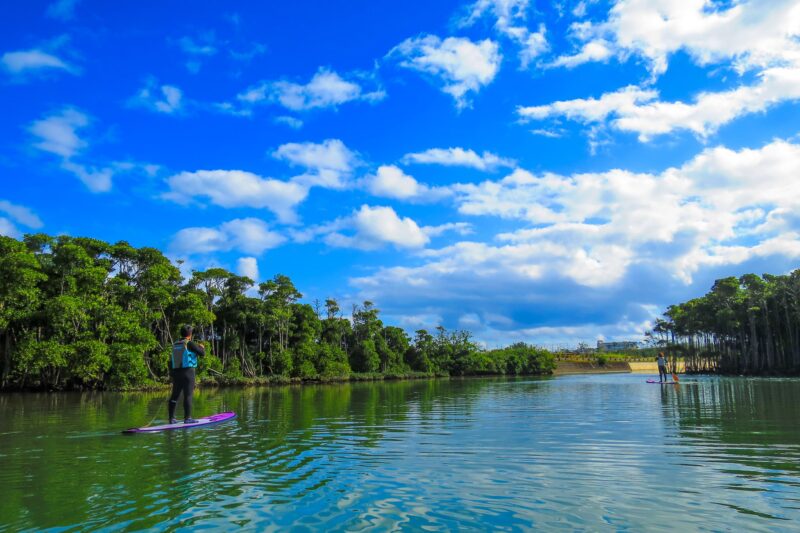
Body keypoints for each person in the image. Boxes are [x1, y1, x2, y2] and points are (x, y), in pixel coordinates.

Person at [168, 325, 205, 424]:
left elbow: (170, 361)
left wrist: (172, 373)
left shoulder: (175, 344)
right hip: (188, 372)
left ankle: (171, 419)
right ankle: (187, 418)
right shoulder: (190, 343)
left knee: (174, 396)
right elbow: (202, 354)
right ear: (190, 334)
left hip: (176, 372)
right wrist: (202, 348)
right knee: (188, 395)